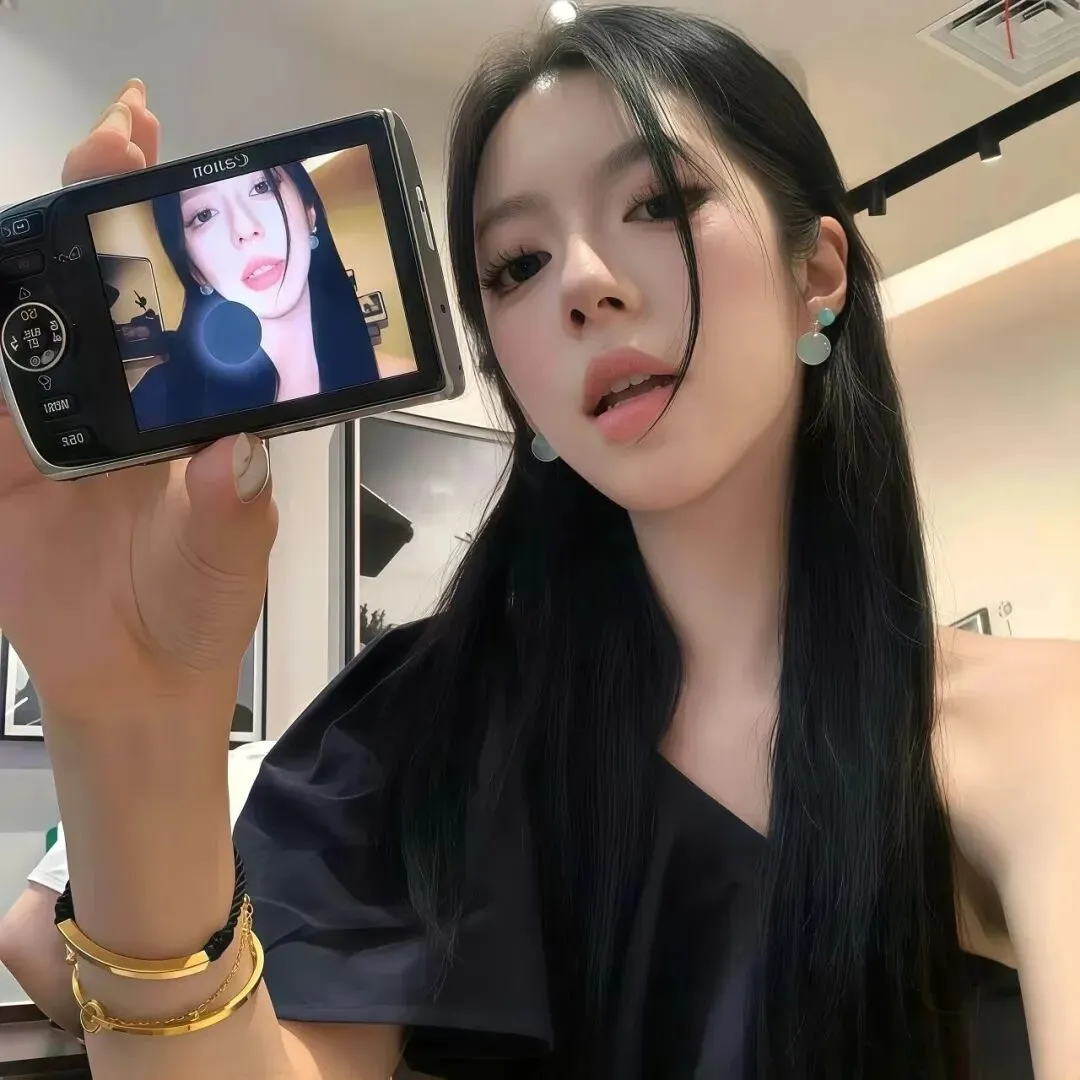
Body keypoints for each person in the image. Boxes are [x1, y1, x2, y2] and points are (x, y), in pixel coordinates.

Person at [0, 10, 1076, 1078]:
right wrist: (129, 726)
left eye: (658, 202)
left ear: (819, 272)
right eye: (517, 264)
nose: (582, 283)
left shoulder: (1031, 725)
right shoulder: (420, 729)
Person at [0, 741, 274, 1036]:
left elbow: (25, 940)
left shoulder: (231, 766)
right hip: (243, 1039)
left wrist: (112, 1040)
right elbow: (24, 940)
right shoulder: (266, 771)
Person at [126, 161, 385, 428]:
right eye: (204, 215)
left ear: (309, 213)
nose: (244, 229)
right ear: (194, 270)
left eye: (262, 186)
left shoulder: (390, 380)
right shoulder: (157, 402)